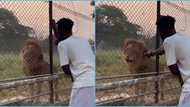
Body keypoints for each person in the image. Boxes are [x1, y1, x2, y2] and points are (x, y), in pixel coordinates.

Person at [145, 15, 190, 106]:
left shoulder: (168, 41)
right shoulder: (184, 38)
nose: (159, 34)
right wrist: (152, 53)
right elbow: (164, 48)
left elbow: (173, 69)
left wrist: (181, 80)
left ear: (163, 30)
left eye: (159, 30)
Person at [52, 18, 95, 106]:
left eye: (57, 30)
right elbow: (63, 39)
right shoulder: (84, 40)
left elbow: (65, 69)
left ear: (60, 30)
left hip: (82, 83)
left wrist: (72, 75)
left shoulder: (62, 45)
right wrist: (54, 28)